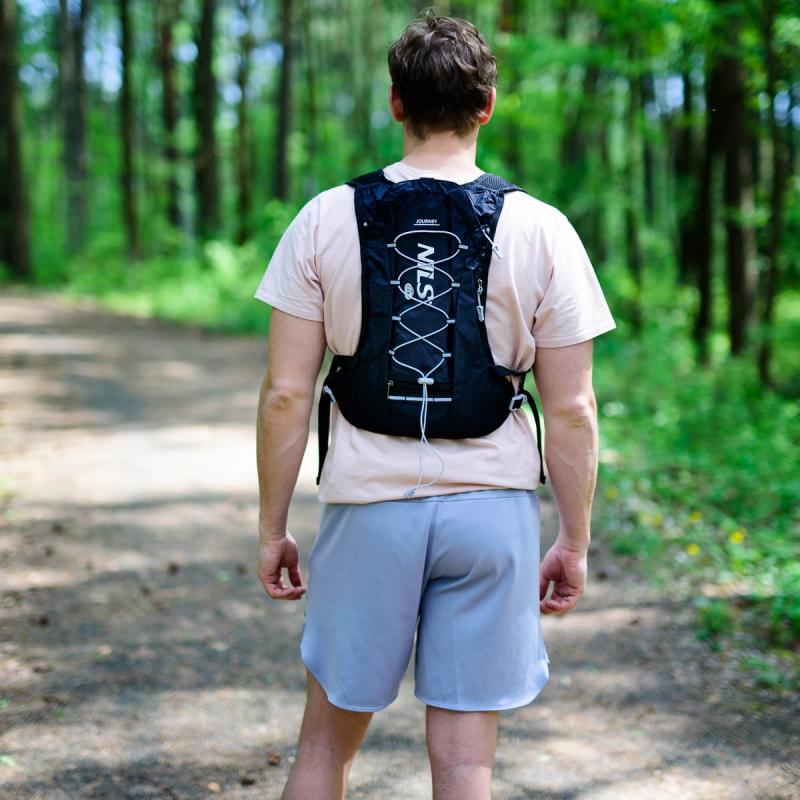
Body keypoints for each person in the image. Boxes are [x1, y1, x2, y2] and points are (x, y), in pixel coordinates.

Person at [253, 11, 616, 800]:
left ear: (396, 102)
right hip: (492, 513)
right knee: (464, 766)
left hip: (368, 509)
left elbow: (286, 393)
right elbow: (574, 410)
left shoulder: (324, 217)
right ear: (487, 105)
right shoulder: (543, 229)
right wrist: (574, 540)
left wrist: (273, 528)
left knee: (324, 748)